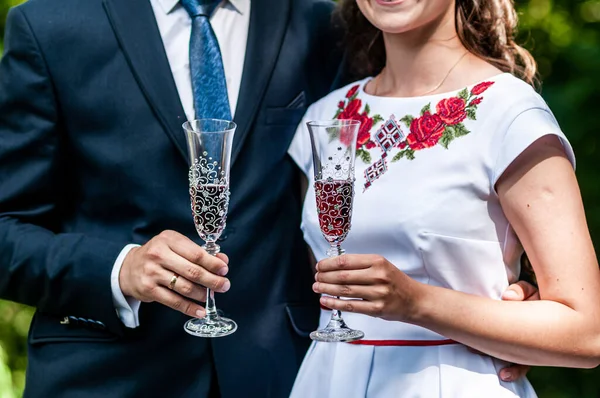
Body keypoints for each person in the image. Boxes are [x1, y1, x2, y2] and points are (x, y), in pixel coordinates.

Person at [0, 0, 342, 396]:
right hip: (107, 377)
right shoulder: (51, 24)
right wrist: (119, 270)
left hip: (280, 374)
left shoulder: (319, 23)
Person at [288, 0, 600, 397]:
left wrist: (417, 303)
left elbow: (588, 333)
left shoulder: (510, 113)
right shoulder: (326, 118)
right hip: (327, 380)